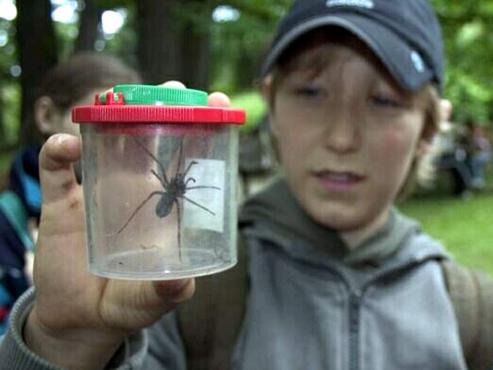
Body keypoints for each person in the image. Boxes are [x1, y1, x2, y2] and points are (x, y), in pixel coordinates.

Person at [1, 1, 493, 369]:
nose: (342, 137)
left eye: (383, 100)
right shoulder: (184, 292)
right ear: (270, 105)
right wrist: (67, 346)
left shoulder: (472, 314)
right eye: (312, 91)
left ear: (431, 127)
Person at [0, 52, 141, 334]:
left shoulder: (126, 202)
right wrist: (34, 307)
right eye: (101, 122)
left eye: (130, 126)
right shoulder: (7, 221)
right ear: (47, 115)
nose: (117, 141)